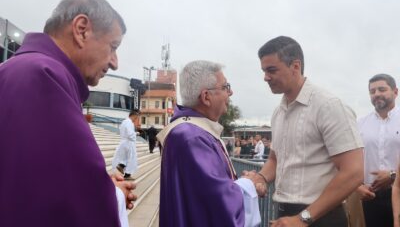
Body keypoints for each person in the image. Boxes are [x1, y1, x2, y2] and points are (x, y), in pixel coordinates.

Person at [0, 0, 136, 227]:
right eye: (113, 47)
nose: (115, 62)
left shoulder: (20, 68)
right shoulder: (43, 77)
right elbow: (61, 202)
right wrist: (115, 196)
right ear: (81, 29)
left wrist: (104, 186)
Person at [250, 36, 364, 226]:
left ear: (295, 66)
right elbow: (275, 159)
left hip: (321, 216)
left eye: (271, 70)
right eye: (263, 71)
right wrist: (259, 178)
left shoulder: (328, 106)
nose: (265, 77)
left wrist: (303, 218)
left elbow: (354, 171)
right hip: (287, 216)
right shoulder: (279, 112)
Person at [157, 60, 263, 227]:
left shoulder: (194, 132)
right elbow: (220, 203)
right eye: (225, 87)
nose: (231, 92)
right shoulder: (193, 137)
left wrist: (238, 183)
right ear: (206, 96)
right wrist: (249, 185)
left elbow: (207, 191)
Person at [357, 74, 400, 227]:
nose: (376, 94)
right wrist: (357, 187)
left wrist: (393, 175)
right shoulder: (359, 124)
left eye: (382, 89)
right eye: (372, 91)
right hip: (370, 197)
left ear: (395, 92)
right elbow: (352, 161)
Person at [112, 110, 140, 180]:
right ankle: (127, 174)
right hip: (129, 142)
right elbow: (130, 134)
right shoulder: (129, 123)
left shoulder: (124, 122)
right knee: (131, 158)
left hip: (124, 142)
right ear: (133, 116)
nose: (136, 119)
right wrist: (136, 133)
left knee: (125, 157)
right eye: (136, 118)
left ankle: (121, 165)